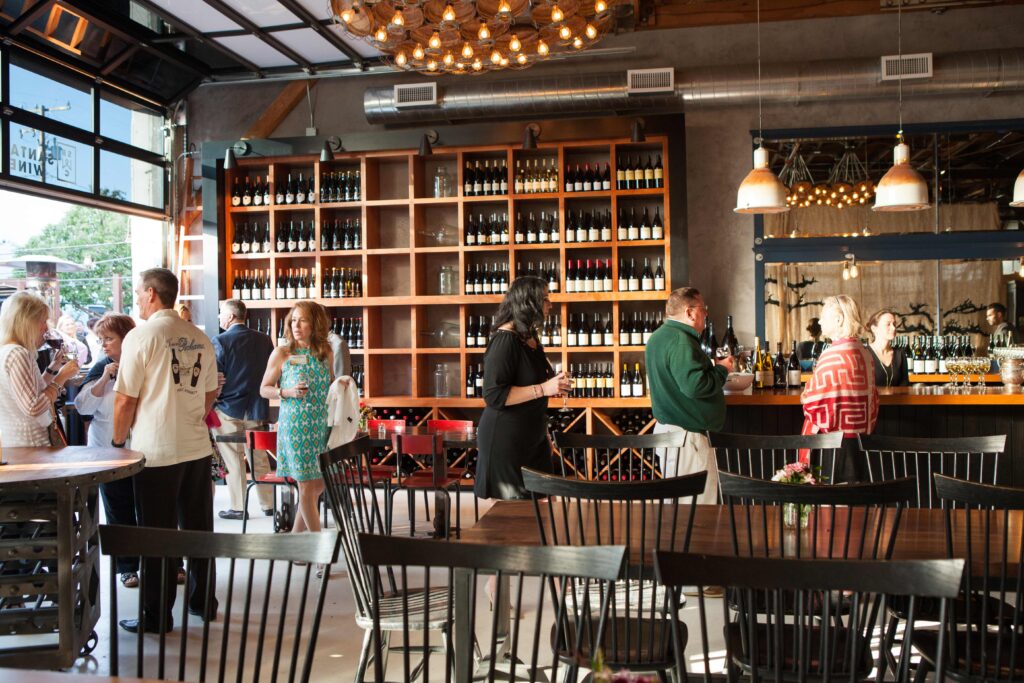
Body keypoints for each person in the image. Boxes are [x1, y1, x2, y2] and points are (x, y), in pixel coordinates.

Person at [112, 268, 219, 634]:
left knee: (157, 534)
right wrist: (190, 415)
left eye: (139, 292)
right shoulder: (198, 337)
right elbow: (210, 393)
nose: (137, 299)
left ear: (153, 294)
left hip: (155, 450)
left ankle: (156, 616)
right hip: (196, 446)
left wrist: (116, 444)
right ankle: (203, 603)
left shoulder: (141, 337)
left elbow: (125, 399)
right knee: (199, 529)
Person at [476, 276, 571, 500]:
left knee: (543, 503)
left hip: (532, 434)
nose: (550, 304)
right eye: (545, 299)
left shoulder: (529, 337)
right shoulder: (505, 340)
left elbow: (531, 384)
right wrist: (543, 389)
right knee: (514, 517)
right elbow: (494, 395)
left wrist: (543, 432)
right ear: (529, 303)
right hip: (506, 437)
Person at [645, 286, 733, 504]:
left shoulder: (658, 337)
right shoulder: (681, 340)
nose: (706, 314)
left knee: (677, 508)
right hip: (688, 438)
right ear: (690, 312)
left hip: (670, 433)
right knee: (699, 509)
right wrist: (722, 369)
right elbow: (695, 386)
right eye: (704, 309)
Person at [74, 314, 140, 587]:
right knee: (118, 508)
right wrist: (103, 379)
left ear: (128, 338)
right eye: (101, 340)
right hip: (107, 450)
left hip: (143, 446)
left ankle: (168, 562)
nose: (103, 345)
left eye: (109, 339)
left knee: (150, 508)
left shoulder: (142, 364)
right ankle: (127, 567)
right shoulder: (101, 367)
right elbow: (82, 407)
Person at [259, 301, 333, 539]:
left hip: (320, 426)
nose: (296, 325)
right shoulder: (283, 353)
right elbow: (264, 389)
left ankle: (293, 542)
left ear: (315, 323)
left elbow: (329, 386)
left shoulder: (325, 352)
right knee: (305, 487)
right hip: (296, 427)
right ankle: (318, 550)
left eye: (303, 320)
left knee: (317, 487)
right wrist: (286, 392)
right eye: (293, 320)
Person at [801, 295, 878, 483]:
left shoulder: (831, 355)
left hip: (833, 445)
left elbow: (812, 402)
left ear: (838, 319)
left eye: (823, 317)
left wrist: (806, 392)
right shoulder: (865, 352)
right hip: (860, 443)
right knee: (854, 506)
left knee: (832, 507)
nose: (819, 321)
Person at [211, 299, 275, 520]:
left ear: (230, 317)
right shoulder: (264, 340)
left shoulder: (220, 341)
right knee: (259, 455)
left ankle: (239, 507)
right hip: (257, 407)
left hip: (229, 408)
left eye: (221, 313)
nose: (220, 317)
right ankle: (268, 505)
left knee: (233, 459)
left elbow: (216, 379)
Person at [0, 292, 79, 447]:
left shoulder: (6, 351)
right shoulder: (18, 354)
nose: (46, 328)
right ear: (26, 322)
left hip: (14, 443)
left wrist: (53, 368)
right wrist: (61, 377)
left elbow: (28, 391)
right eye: (43, 321)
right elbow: (33, 407)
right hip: (32, 444)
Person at [866, 308, 910, 388]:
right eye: (888, 324)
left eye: (894, 324)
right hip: (873, 400)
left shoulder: (900, 354)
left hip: (896, 400)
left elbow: (904, 386)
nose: (893, 328)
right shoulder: (865, 353)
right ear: (874, 329)